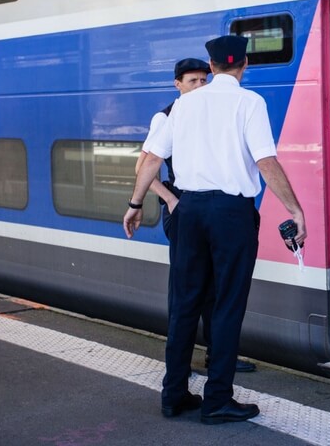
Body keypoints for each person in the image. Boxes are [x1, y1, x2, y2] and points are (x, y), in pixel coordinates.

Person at [123, 35, 306, 425]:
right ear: (243, 66)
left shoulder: (183, 105)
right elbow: (265, 161)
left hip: (189, 211)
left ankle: (173, 395)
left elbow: (152, 158)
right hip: (230, 214)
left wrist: (135, 204)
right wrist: (295, 209)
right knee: (225, 305)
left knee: (185, 303)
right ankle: (218, 400)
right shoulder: (249, 102)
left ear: (211, 65)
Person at [135, 58, 255, 375]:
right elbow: (142, 167)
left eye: (204, 80)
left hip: (201, 209)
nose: (200, 86)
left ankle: (218, 355)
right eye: (193, 81)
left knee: (214, 288)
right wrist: (172, 200)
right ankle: (180, 365)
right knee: (187, 291)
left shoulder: (205, 113)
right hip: (183, 211)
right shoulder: (167, 116)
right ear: (178, 84)